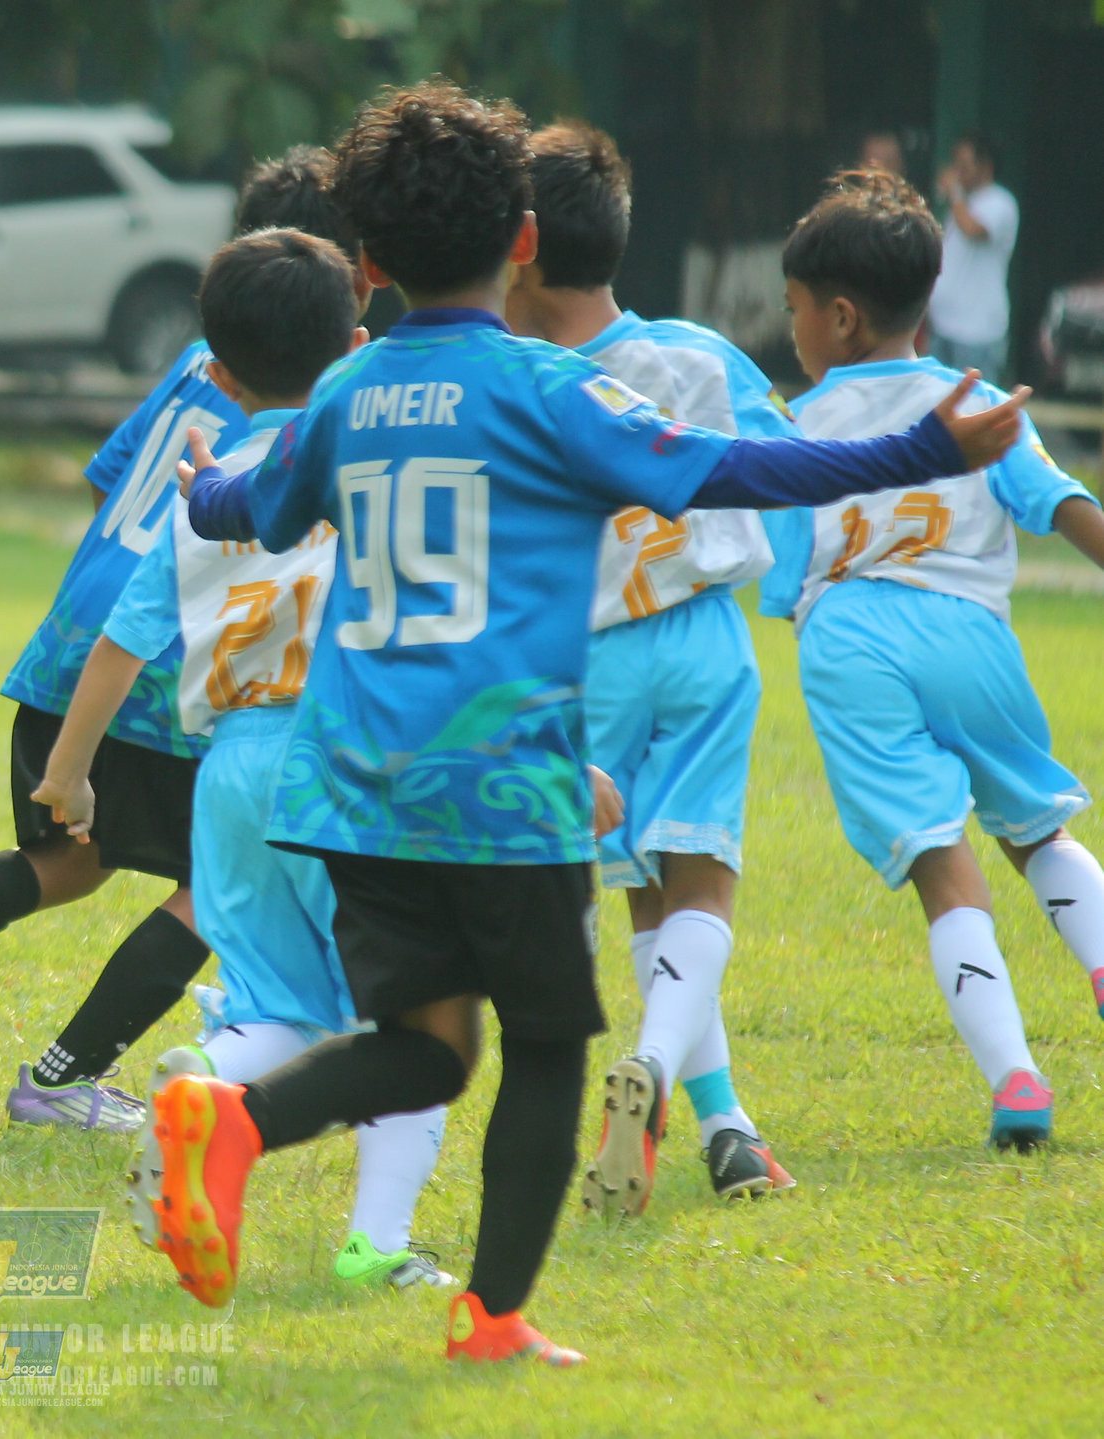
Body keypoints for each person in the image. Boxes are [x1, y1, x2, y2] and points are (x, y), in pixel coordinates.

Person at [149, 79, 1030, 1366]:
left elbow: (253, 502)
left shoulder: (345, 393)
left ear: (371, 264)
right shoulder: (546, 391)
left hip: (352, 786)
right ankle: (492, 1316)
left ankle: (229, 1125)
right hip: (499, 782)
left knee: (428, 1045)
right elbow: (733, 466)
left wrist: (206, 482)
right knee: (549, 1043)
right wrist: (916, 452)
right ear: (522, 239)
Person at [0, 149, 350, 1133]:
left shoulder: (200, 360)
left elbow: (111, 482)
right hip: (166, 654)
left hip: (76, 634)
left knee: (75, 855)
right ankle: (62, 1078)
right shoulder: (331, 408)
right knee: (213, 885)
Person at [34, 225, 456, 1291]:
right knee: (413, 1014)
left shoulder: (201, 490)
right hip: (344, 759)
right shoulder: (373, 463)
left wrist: (66, 774)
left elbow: (119, 647)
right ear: (357, 345)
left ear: (213, 373)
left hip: (232, 768)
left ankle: (207, 1086)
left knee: (277, 1003)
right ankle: (376, 1245)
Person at [764, 168, 1104, 1152]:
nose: (789, 329)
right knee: (1036, 825)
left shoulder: (801, 428)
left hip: (853, 644)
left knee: (939, 868)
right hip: (971, 633)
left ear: (835, 317)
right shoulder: (978, 402)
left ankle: (1016, 1081)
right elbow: (1059, 503)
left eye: (790, 309)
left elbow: (782, 583)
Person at [504, 121, 797, 1215]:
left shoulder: (522, 385)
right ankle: (698, 1104)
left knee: (631, 882)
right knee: (697, 880)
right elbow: (786, 455)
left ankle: (682, 1097)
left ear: (518, 250)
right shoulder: (695, 354)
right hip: (707, 642)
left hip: (588, 663)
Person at [928, 133, 1018, 384]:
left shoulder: (1000, 201)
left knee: (974, 408)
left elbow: (974, 231)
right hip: (943, 327)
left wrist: (954, 193)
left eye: (964, 166)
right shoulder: (962, 205)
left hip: (977, 333)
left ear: (985, 166)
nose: (957, 172)